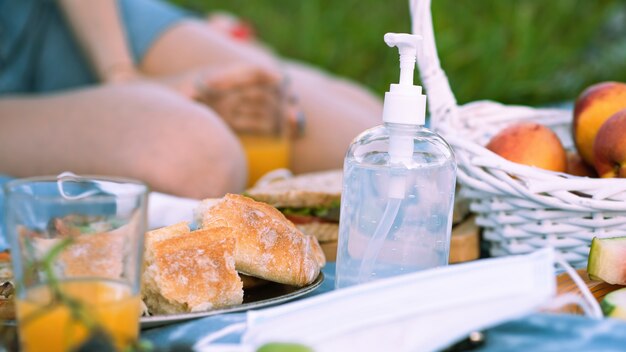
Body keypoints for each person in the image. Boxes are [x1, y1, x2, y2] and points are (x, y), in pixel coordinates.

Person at [0, 0, 382, 199]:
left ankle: (260, 55)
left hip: (54, 20)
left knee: (366, 143)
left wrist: (120, 73)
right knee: (196, 157)